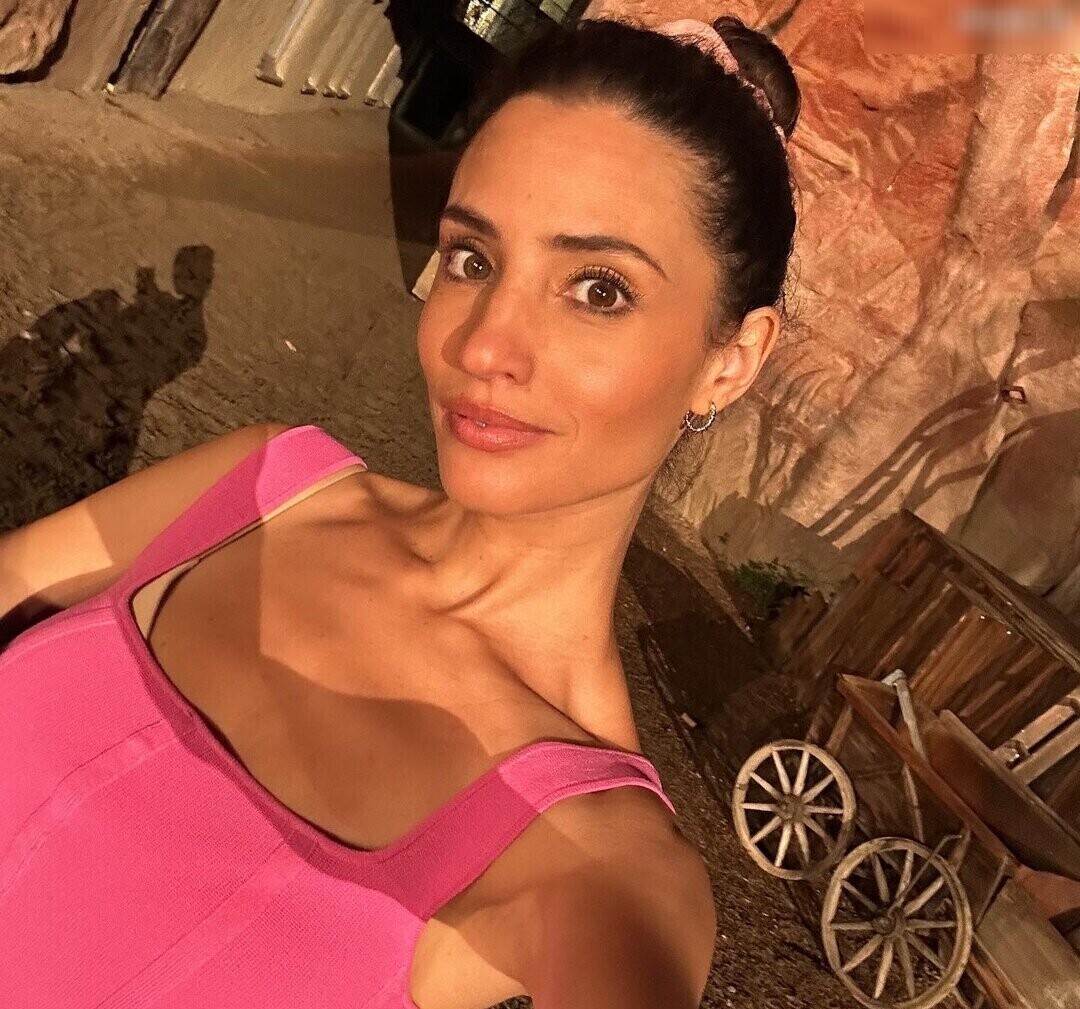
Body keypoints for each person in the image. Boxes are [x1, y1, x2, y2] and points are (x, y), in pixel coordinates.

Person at [0, 13, 799, 1009]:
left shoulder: (602, 863)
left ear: (731, 359)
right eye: (473, 258)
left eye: (599, 288)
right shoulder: (264, 480)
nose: (483, 344)